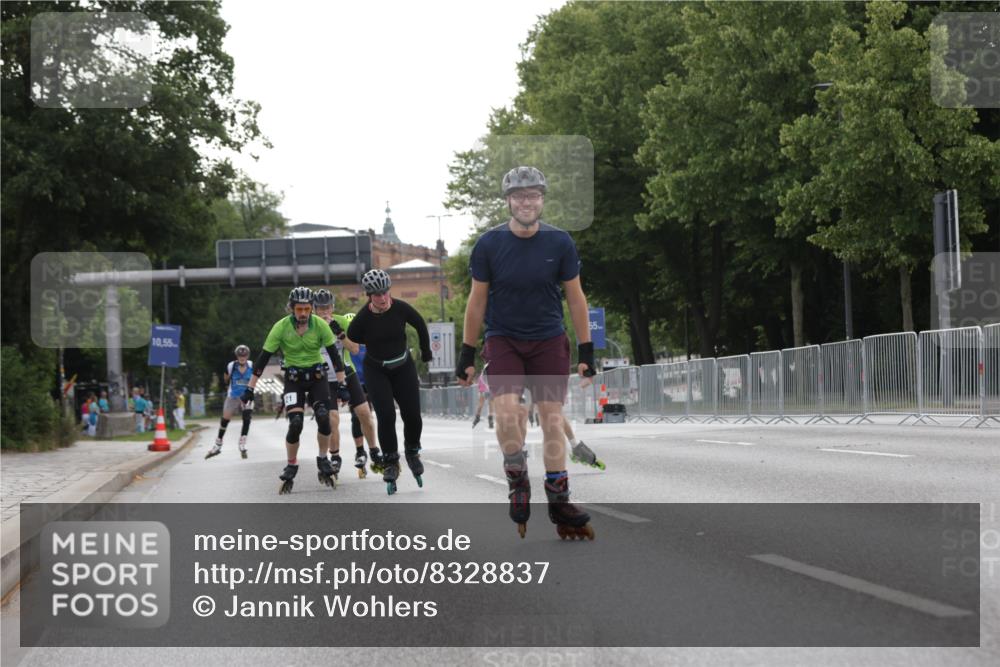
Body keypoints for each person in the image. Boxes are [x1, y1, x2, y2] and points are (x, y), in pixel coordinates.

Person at [457, 166, 596, 540]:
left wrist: (587, 349)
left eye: (533, 195)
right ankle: (517, 476)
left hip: (549, 340)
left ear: (542, 199)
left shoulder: (560, 243)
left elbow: (576, 297)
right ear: (507, 201)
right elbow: (476, 301)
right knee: (507, 412)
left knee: (552, 419)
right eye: (519, 196)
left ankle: (559, 498)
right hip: (504, 339)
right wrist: (466, 354)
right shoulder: (488, 245)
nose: (526, 202)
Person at [241, 286, 346, 494]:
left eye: (307, 309)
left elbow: (335, 358)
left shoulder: (320, 326)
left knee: (324, 417)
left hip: (317, 376)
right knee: (295, 423)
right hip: (294, 379)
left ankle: (323, 459)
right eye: (299, 309)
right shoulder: (280, 328)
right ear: (291, 309)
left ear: (312, 308)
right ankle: (291, 464)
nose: (304, 314)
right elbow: (262, 360)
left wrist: (342, 386)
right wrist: (250, 388)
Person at [346, 269, 432, 495]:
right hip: (377, 370)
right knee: (386, 415)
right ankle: (391, 460)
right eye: (376, 295)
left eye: (385, 293)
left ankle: (412, 450)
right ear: (368, 296)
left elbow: (420, 324)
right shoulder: (363, 318)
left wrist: (426, 351)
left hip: (403, 367)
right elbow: (353, 336)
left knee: (412, 414)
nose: (382, 298)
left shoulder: (401, 308)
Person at [311, 289, 382, 480]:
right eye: (320, 309)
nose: (325, 312)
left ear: (333, 307)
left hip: (346, 373)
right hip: (326, 379)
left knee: (364, 413)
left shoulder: (341, 321)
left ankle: (373, 450)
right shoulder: (310, 326)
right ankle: (335, 456)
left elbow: (356, 349)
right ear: (314, 310)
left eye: (328, 308)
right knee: (332, 418)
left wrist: (340, 334)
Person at [205, 345, 255, 460]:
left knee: (247, 418)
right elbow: (226, 379)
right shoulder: (231, 365)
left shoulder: (252, 365)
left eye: (244, 356)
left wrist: (250, 391)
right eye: (240, 356)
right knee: (225, 420)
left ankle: (242, 443)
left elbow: (255, 378)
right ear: (236, 356)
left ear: (247, 356)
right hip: (233, 395)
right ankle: (218, 444)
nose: (242, 358)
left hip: (246, 395)